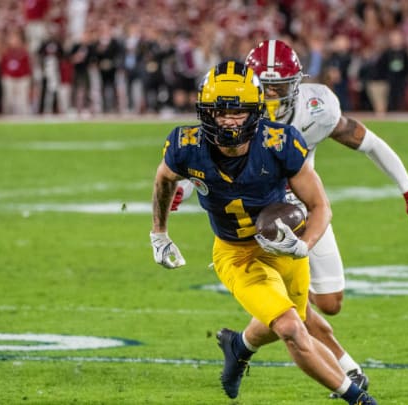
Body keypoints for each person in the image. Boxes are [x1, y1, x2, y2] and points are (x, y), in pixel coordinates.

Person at [172, 39, 408, 396]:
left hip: (304, 210)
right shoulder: (234, 112)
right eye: (265, 90)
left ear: (296, 85)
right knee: (290, 314)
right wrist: (182, 190)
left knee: (329, 303)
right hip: (255, 215)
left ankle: (241, 345)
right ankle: (346, 368)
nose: (273, 98)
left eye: (280, 88)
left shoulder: (317, 110)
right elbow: (203, 161)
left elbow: (366, 140)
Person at [150, 60, 377, 405]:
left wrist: (304, 246)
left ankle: (238, 345)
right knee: (290, 328)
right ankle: (359, 399)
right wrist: (159, 233)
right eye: (219, 111)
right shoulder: (186, 144)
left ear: (255, 109)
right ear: (204, 111)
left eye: (238, 110)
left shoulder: (279, 141)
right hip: (235, 253)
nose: (228, 120)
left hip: (283, 247)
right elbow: (164, 179)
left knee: (293, 319)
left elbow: (321, 207)